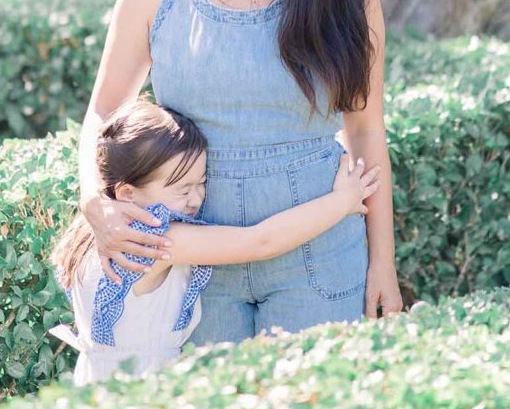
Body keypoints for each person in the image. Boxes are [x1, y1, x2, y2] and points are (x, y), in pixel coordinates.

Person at [77, 0, 403, 347]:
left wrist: (383, 265)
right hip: (194, 260)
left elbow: (366, 132)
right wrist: (96, 202)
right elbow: (104, 113)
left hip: (321, 254)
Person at [50, 97, 380, 384]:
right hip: (142, 387)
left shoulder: (88, 232)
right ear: (127, 193)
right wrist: (341, 202)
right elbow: (259, 242)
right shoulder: (154, 239)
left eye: (202, 182)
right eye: (182, 189)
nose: (196, 198)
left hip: (96, 380)